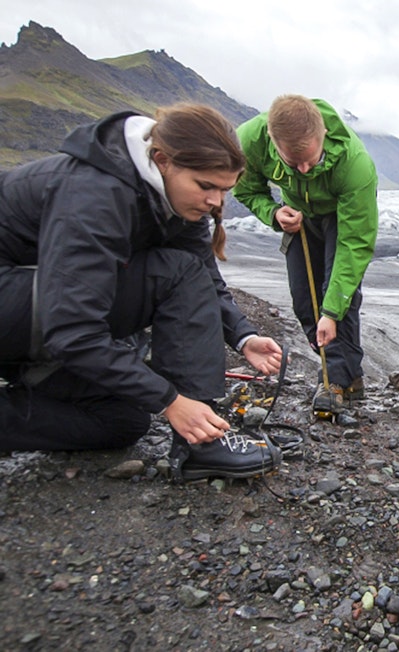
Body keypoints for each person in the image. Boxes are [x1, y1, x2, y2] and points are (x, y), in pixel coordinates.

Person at [0, 104, 285, 481]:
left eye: (225, 190)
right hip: (15, 302)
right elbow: (73, 330)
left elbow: (204, 276)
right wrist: (172, 400)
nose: (217, 202)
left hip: (31, 309)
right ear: (163, 160)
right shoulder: (95, 194)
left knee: (121, 418)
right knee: (174, 273)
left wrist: (243, 335)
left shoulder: (177, 204)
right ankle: (200, 447)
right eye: (206, 186)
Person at [233, 95, 378, 416]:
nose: (303, 169)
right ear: (273, 142)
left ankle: (334, 380)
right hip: (297, 215)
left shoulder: (356, 165)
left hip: (341, 216)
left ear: (323, 132)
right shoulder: (249, 141)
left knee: (338, 297)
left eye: (311, 160)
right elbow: (244, 188)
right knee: (303, 302)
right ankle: (351, 376)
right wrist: (272, 212)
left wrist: (331, 310)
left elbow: (355, 245)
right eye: (293, 163)